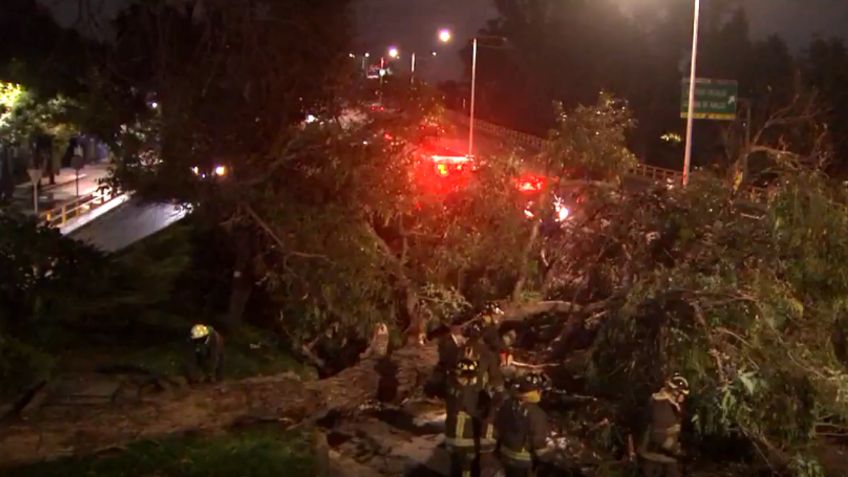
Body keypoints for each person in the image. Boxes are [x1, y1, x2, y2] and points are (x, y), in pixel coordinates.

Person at [495, 373, 552, 477]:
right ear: (536, 391)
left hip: (505, 456)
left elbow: (498, 425)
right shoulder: (537, 414)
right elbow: (538, 444)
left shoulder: (507, 404)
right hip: (523, 463)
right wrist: (549, 459)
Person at [638, 374, 690, 477]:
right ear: (675, 392)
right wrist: (674, 448)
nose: (684, 397)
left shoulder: (671, 406)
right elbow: (658, 434)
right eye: (682, 394)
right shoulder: (660, 406)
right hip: (656, 457)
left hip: (665, 457)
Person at [445, 357, 485, 477]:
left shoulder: (451, 388)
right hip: (467, 439)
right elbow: (475, 412)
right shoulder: (470, 393)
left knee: (454, 468)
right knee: (467, 469)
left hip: (451, 437)